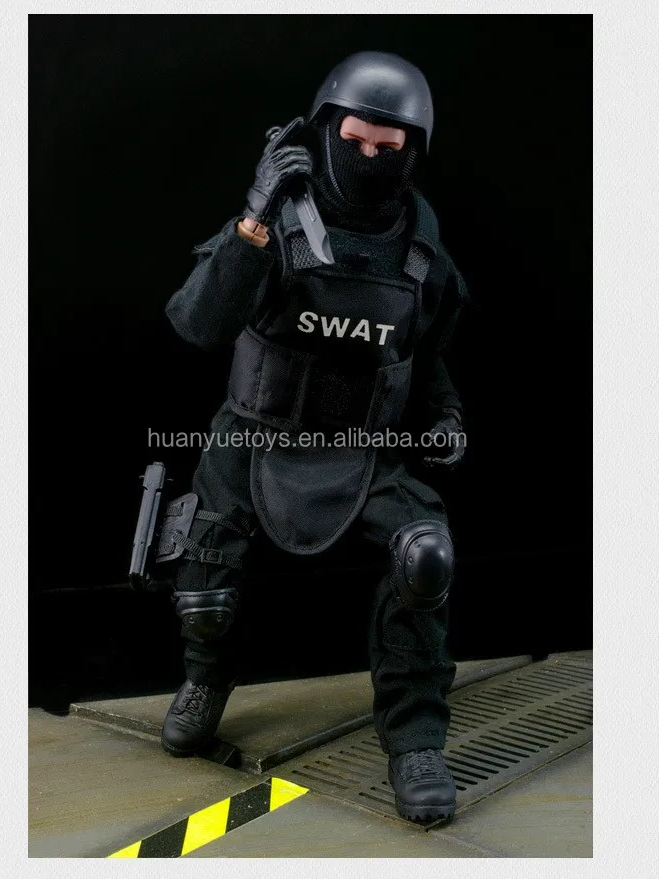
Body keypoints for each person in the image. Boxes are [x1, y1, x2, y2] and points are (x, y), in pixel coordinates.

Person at [157, 51, 469, 825]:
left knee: (425, 554)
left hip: (362, 446)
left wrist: (446, 415)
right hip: (255, 432)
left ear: (413, 151)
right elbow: (197, 324)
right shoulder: (278, 218)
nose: (367, 158)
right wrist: (253, 222)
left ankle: (416, 740)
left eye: (387, 148)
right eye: (355, 140)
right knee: (204, 575)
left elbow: (427, 353)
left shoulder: (420, 247)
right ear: (328, 128)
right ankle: (204, 677)